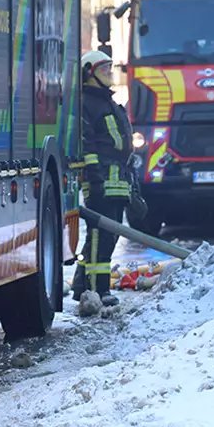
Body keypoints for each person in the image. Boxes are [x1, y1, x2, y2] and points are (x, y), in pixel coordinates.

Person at [72, 49, 134, 307]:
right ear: (88, 74)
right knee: (101, 236)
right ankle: (99, 289)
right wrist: (95, 181)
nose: (109, 73)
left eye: (110, 68)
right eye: (103, 69)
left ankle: (79, 283)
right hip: (102, 182)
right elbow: (88, 145)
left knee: (110, 235)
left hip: (118, 180)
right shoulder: (87, 104)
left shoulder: (109, 102)